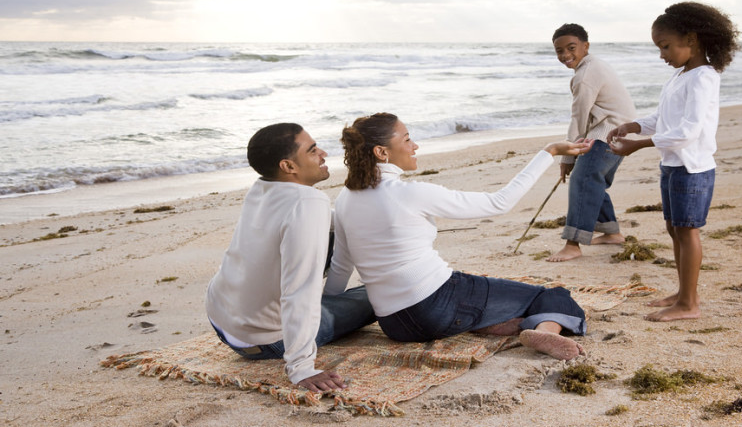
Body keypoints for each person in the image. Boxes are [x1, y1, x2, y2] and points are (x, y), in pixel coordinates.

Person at [324, 112, 593, 361]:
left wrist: (326, 311)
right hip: (437, 306)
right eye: (407, 139)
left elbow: (341, 265)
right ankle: (548, 330)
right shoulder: (411, 193)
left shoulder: (346, 198)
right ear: (382, 152)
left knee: (484, 296)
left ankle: (501, 322)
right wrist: (549, 152)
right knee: (551, 296)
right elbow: (499, 202)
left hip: (394, 324)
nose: (414, 146)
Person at [205, 123, 376, 392]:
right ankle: (316, 326)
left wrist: (351, 220)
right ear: (288, 166)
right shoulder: (309, 203)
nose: (323, 153)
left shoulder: (263, 186)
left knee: (336, 234)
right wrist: (301, 368)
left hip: (222, 318)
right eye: (312, 151)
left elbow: (320, 224)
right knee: (385, 292)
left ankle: (328, 304)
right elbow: (299, 290)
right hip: (264, 340)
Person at [607, 2, 742, 322]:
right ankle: (683, 293)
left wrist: (637, 146)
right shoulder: (682, 76)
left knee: (687, 231)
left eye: (665, 46)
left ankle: (689, 304)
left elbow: (688, 131)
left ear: (691, 39)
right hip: (672, 164)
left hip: (692, 167)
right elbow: (663, 118)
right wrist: (634, 125)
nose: (662, 54)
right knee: (674, 228)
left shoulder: (703, 77)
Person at [547, 23, 638, 262]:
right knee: (593, 181)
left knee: (583, 179)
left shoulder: (586, 75)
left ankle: (573, 245)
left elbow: (579, 118)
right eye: (559, 51)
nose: (565, 55)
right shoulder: (592, 66)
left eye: (571, 48)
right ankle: (611, 233)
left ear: (586, 46)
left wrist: (568, 156)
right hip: (618, 132)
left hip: (608, 133)